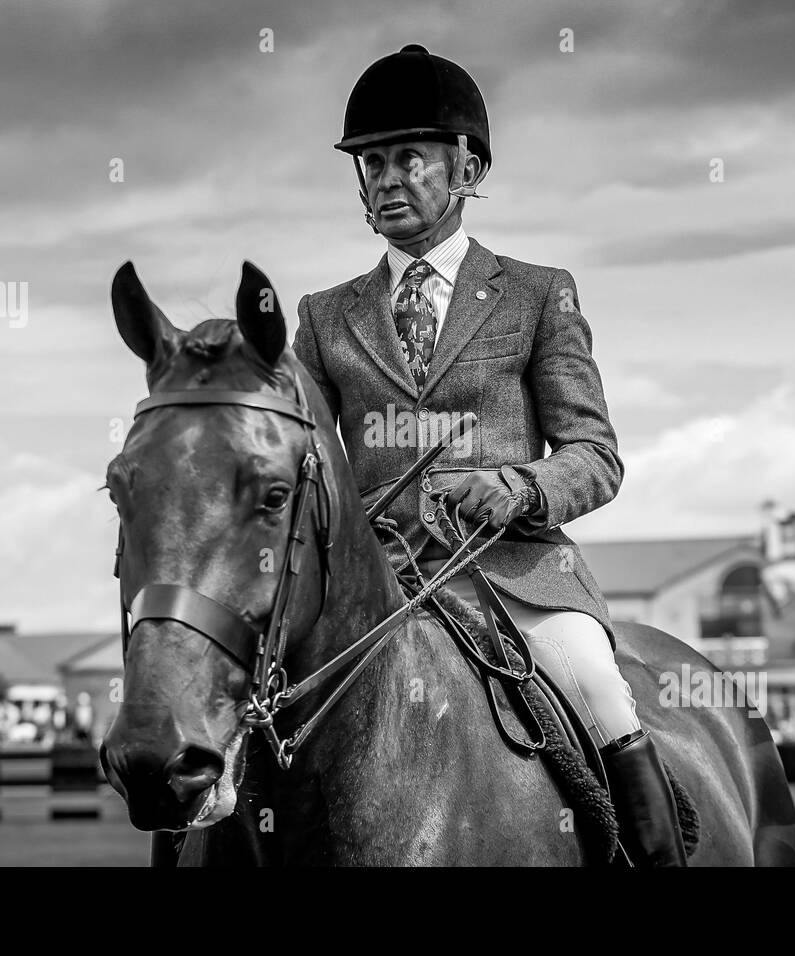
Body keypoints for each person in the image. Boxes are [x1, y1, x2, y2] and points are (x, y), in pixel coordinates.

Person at [292, 44, 685, 865]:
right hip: (375, 585)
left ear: (465, 168)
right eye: (371, 162)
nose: (387, 178)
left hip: (511, 574)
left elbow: (595, 454)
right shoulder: (325, 316)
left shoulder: (539, 293)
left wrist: (520, 484)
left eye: (409, 158)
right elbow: (298, 461)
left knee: (601, 691)